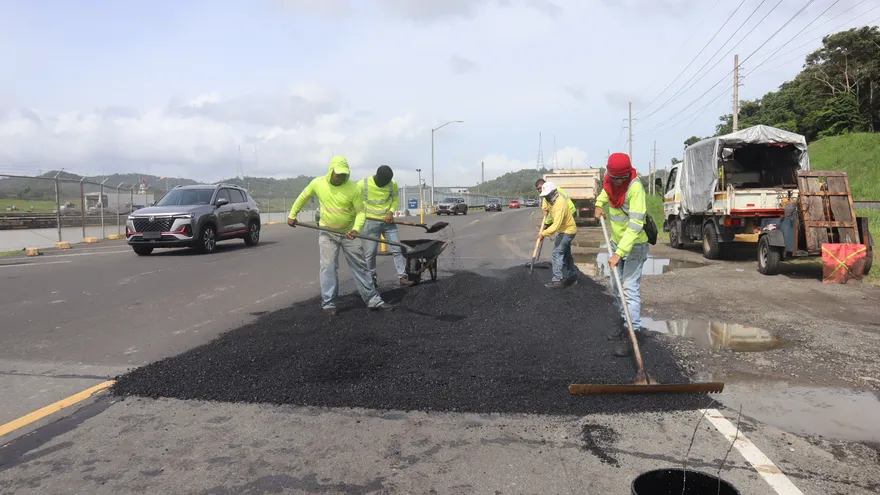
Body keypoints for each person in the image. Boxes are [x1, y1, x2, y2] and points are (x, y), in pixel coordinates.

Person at [288, 156, 393, 315]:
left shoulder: (353, 189)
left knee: (360, 266)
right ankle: (329, 303)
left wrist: (356, 229)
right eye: (338, 174)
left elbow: (361, 213)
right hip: (327, 233)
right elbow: (303, 197)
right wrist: (292, 214)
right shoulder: (318, 183)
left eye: (344, 174)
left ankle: (373, 299)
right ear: (331, 171)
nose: (341, 177)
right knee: (328, 267)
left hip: (349, 233)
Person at [594, 152, 649, 357]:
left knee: (629, 288)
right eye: (614, 178)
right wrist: (599, 204)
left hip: (635, 245)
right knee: (617, 286)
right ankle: (625, 323)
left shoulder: (635, 188)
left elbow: (635, 226)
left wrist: (619, 253)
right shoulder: (609, 180)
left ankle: (633, 332)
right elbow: (605, 193)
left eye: (620, 178)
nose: (617, 182)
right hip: (617, 243)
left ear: (627, 174)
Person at [357, 165, 412, 287]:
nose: (387, 183)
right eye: (385, 181)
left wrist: (391, 212)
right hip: (370, 222)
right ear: (378, 177)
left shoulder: (392, 184)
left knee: (397, 248)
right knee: (370, 252)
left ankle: (402, 276)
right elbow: (355, 200)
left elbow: (395, 200)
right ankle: (372, 278)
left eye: (388, 181)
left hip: (388, 222)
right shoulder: (362, 184)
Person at [538, 181, 578, 289]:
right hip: (563, 230)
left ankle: (557, 280)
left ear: (552, 193)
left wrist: (543, 233)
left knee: (557, 252)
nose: (545, 198)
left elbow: (556, 225)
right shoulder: (552, 201)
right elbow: (550, 214)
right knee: (566, 252)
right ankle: (572, 274)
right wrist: (546, 219)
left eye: (546, 196)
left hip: (567, 231)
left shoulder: (560, 204)